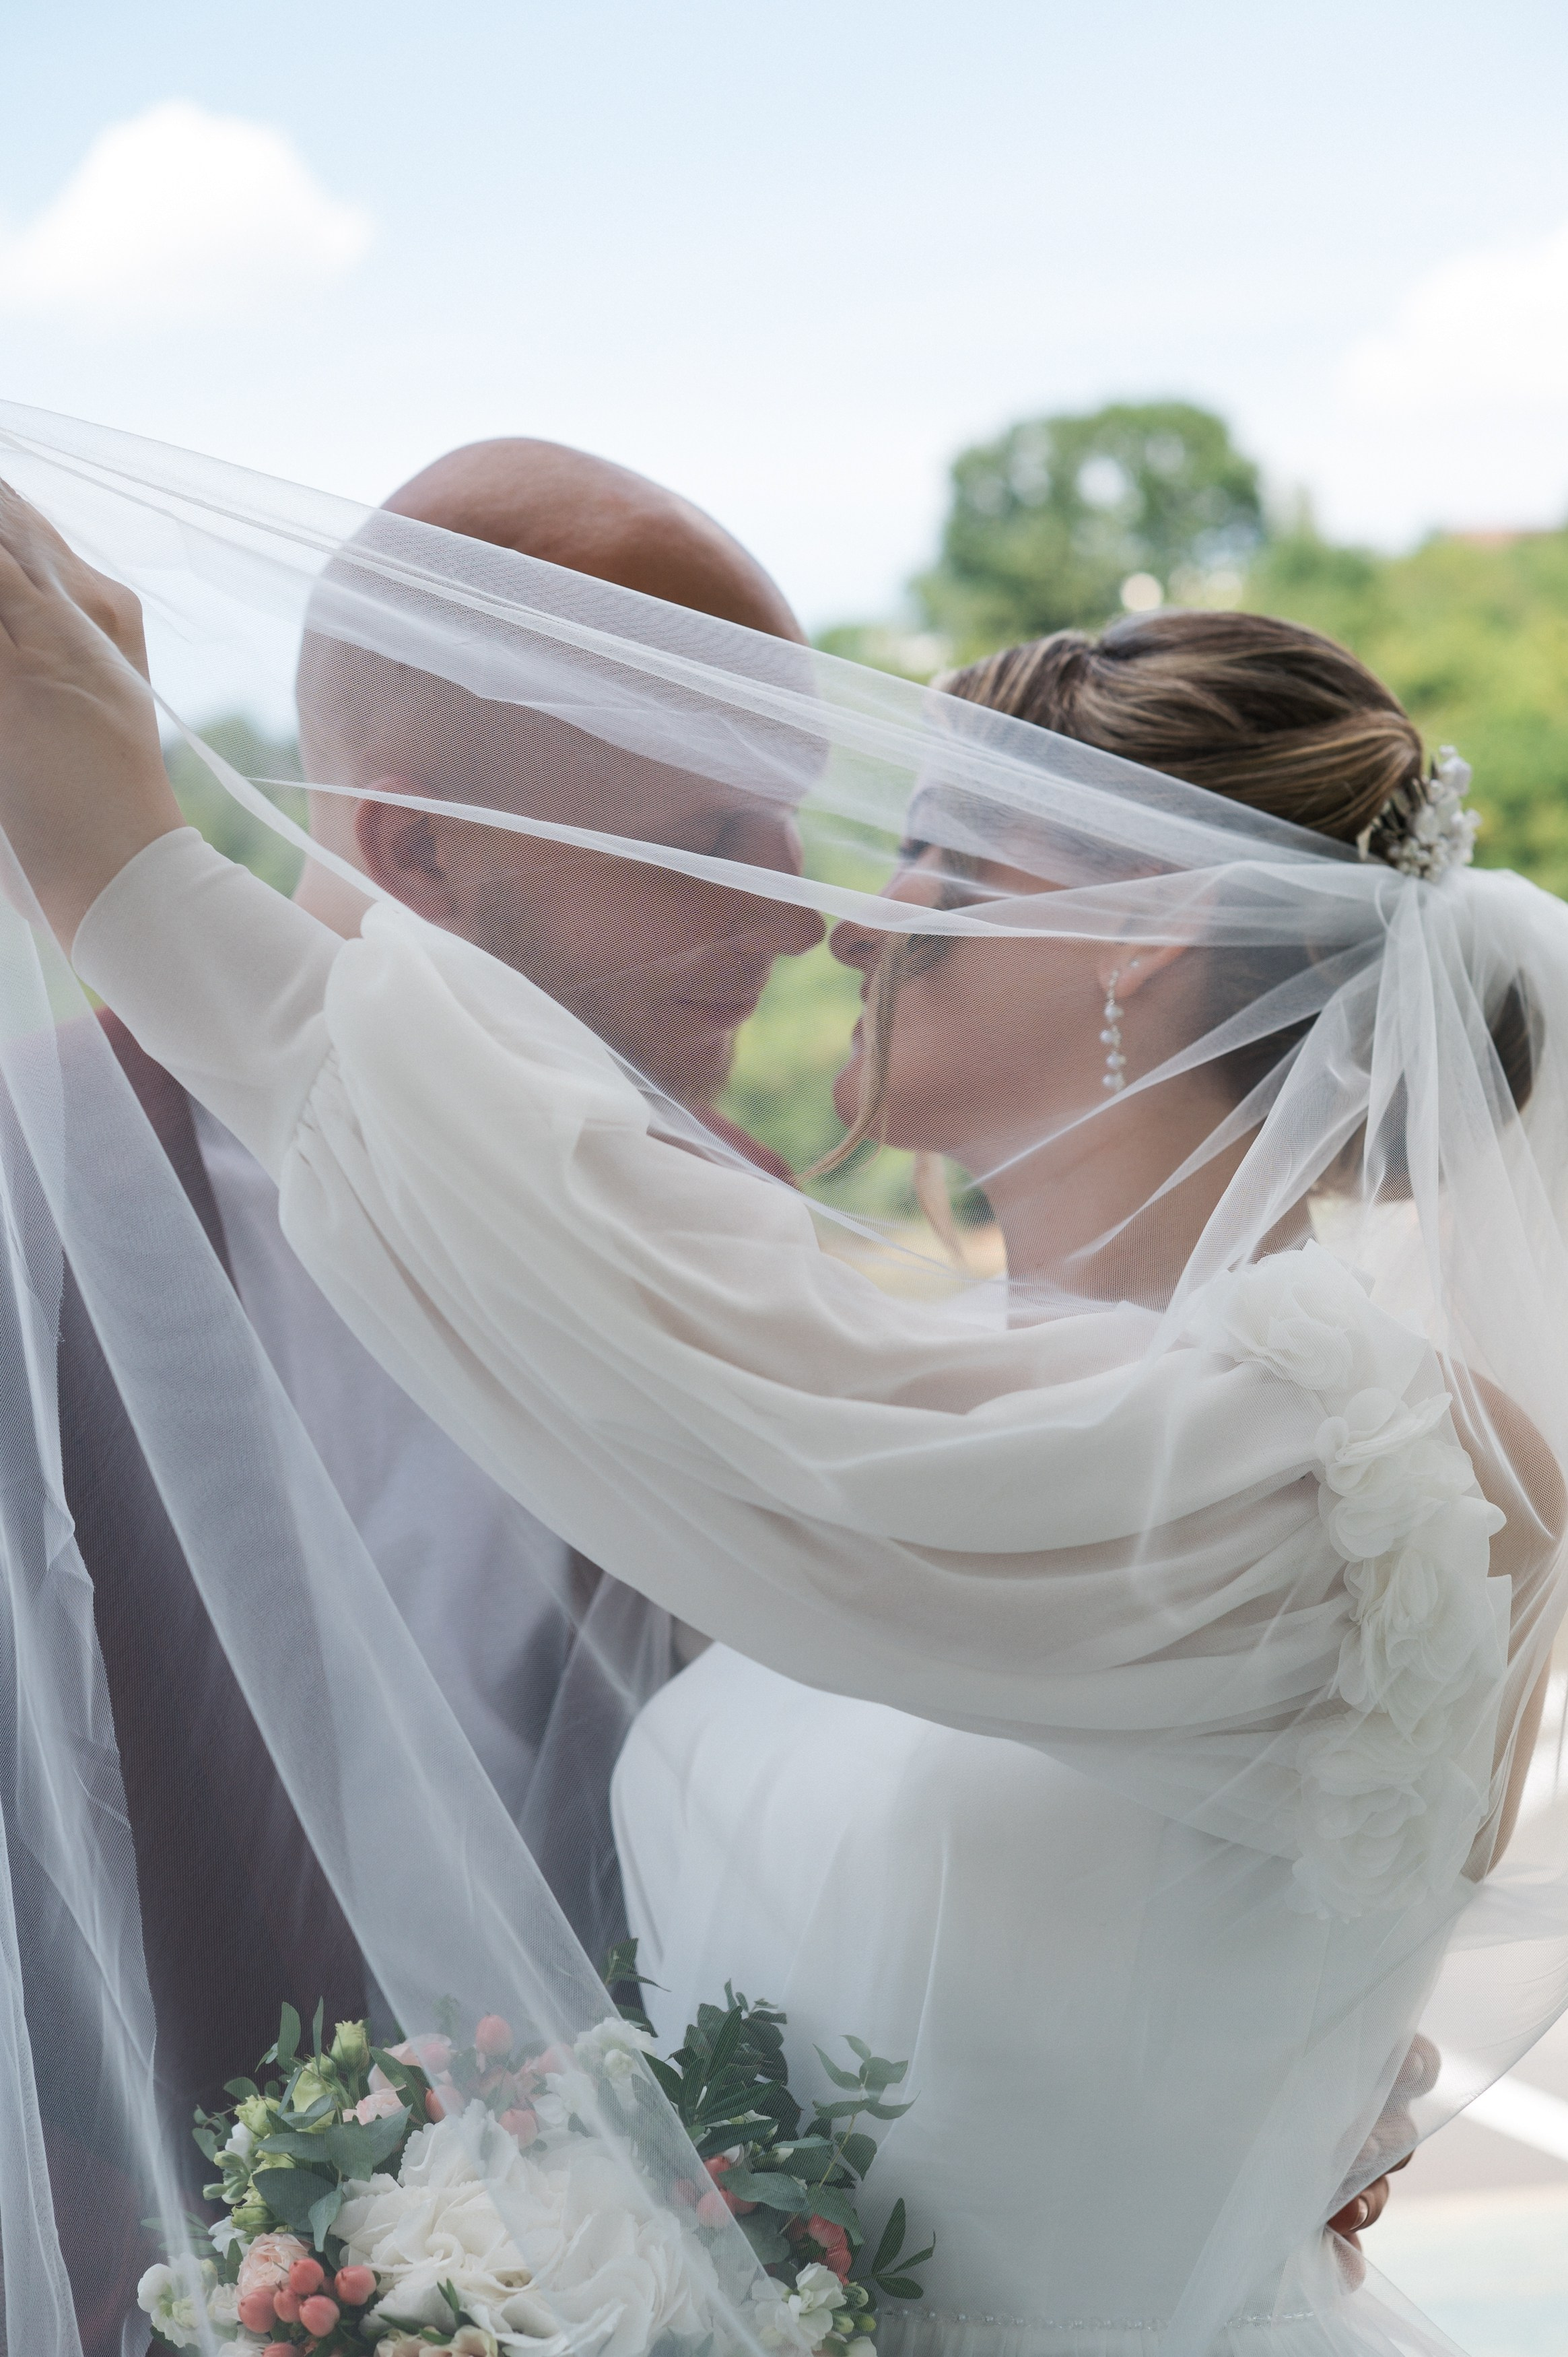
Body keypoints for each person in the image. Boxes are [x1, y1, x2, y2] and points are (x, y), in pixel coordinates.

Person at [0, 453, 1553, 2356]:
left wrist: (132, 870)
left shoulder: (1306, 1447)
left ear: (1142, 933)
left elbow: (765, 1405)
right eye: (717, 837)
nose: (826, 921)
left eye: (931, 859)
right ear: (410, 850)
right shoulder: (762, 1292)